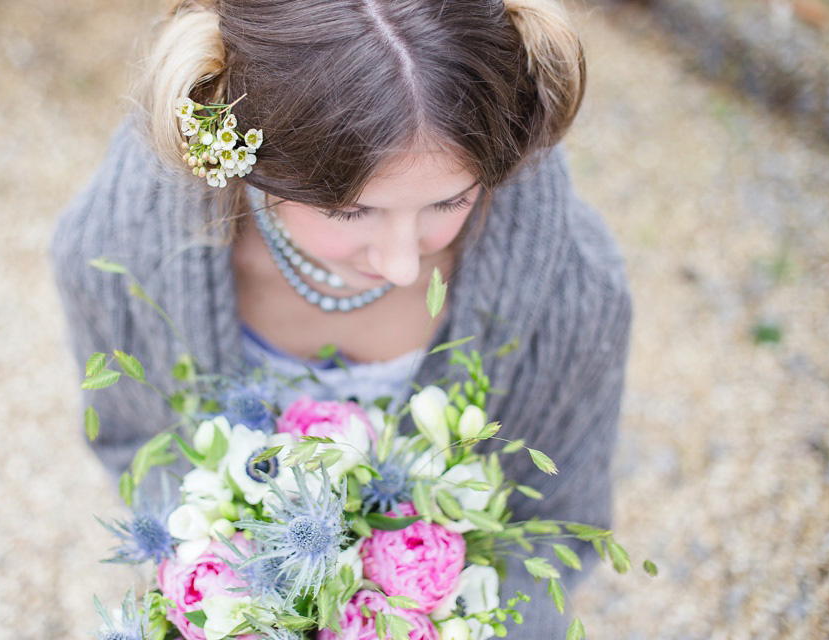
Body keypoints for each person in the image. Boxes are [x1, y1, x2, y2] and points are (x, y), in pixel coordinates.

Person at [51, 0, 632, 636]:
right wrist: (229, 581)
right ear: (255, 163)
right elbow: (133, 438)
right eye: (351, 212)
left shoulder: (575, 294)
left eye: (450, 200)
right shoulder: (119, 251)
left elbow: (553, 522)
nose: (404, 264)